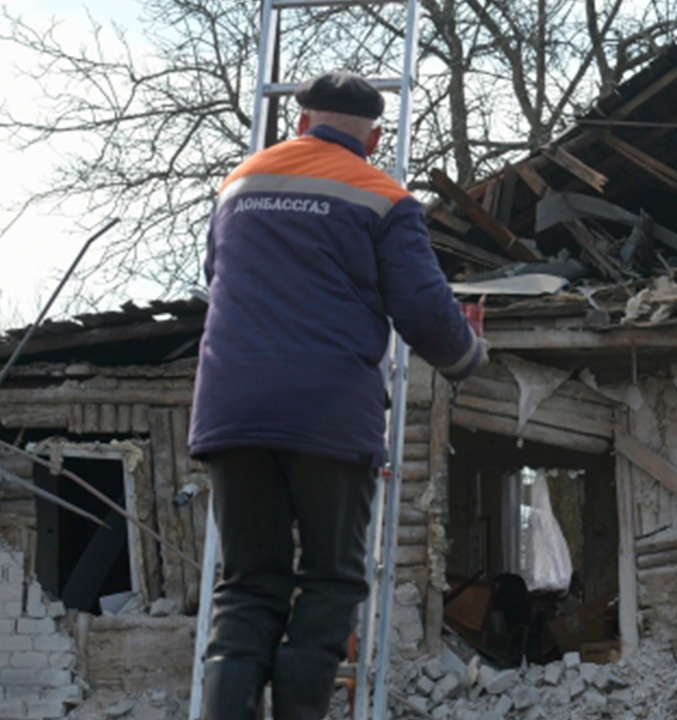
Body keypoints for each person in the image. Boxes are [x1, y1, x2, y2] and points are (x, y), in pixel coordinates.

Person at [189, 70, 485, 720]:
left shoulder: (237, 186)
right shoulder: (382, 196)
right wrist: (469, 355)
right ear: (375, 138)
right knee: (328, 582)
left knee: (247, 587)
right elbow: (424, 315)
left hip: (231, 414)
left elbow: (219, 276)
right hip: (326, 418)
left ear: (301, 122)